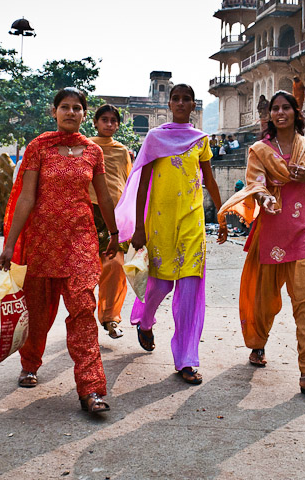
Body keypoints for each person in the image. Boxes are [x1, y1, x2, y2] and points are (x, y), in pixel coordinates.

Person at [0, 87, 118, 413]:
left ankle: (91, 389)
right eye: (64, 107)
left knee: (82, 312)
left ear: (83, 113)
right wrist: (10, 244)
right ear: (54, 112)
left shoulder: (93, 152)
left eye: (77, 108)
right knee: (38, 311)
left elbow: (103, 197)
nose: (70, 112)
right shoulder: (39, 147)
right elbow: (26, 197)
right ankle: (31, 363)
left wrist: (115, 233)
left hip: (80, 241)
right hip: (42, 242)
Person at [218, 90, 305, 400]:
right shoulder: (259, 149)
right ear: (270, 114)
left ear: (298, 113)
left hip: (304, 229)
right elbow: (255, 183)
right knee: (263, 297)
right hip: (270, 228)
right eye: (275, 108)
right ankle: (258, 342)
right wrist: (265, 196)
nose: (280, 112)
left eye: (286, 107)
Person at [116, 83, 227, 386]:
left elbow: (210, 180)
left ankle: (187, 359)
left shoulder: (201, 140)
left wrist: (221, 213)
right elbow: (142, 185)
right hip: (159, 222)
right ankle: (146, 320)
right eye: (175, 99)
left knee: (190, 289)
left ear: (193, 106)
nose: (180, 103)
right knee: (160, 284)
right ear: (169, 104)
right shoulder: (155, 138)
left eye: (186, 99)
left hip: (192, 223)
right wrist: (138, 227)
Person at [89, 104, 133, 339]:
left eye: (113, 121)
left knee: (114, 265)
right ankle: (84, 319)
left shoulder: (121, 150)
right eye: (104, 120)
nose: (109, 124)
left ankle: (110, 318)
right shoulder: (84, 146)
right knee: (86, 269)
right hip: (88, 212)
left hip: (115, 216)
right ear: (95, 122)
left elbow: (127, 181)